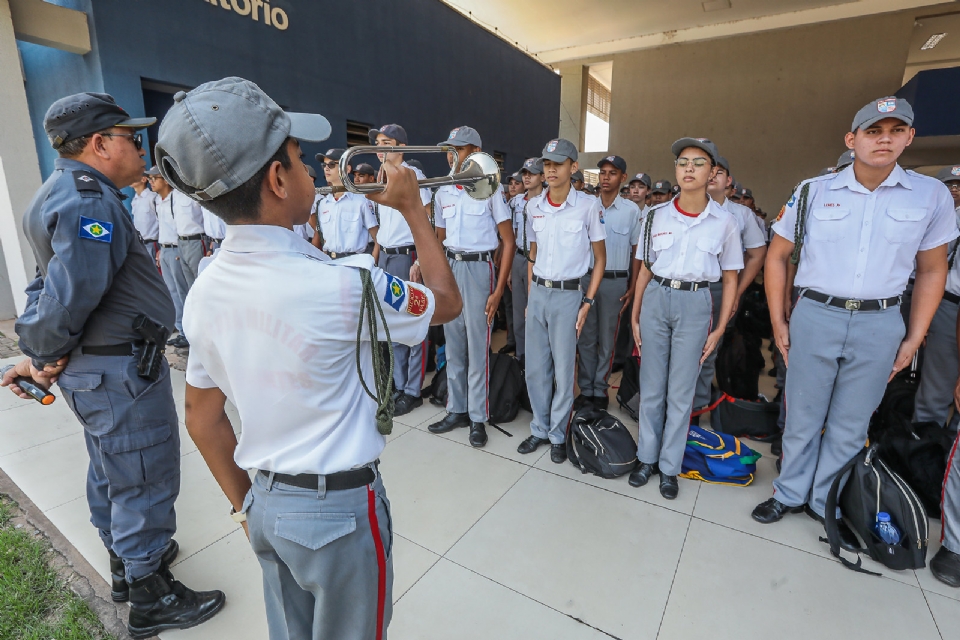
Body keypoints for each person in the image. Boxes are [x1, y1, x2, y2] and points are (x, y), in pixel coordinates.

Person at [160, 77, 460, 640]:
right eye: (299, 161)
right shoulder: (346, 284)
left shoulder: (203, 290)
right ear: (277, 180)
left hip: (265, 503)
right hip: (340, 514)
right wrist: (415, 212)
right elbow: (446, 303)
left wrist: (247, 509)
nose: (312, 174)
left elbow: (201, 417)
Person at [1, 91, 224, 638]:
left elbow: (43, 285)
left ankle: (128, 562)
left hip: (101, 370)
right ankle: (150, 595)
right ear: (100, 144)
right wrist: (44, 351)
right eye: (131, 137)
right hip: (117, 373)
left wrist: (42, 352)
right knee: (141, 474)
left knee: (113, 467)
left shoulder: (62, 193)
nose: (140, 146)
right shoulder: (89, 203)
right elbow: (71, 294)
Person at [751, 97, 957, 549]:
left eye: (895, 130)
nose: (884, 138)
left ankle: (825, 501)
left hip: (880, 320)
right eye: (873, 130)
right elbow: (778, 257)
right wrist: (779, 319)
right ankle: (788, 493)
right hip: (817, 314)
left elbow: (932, 270)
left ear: (909, 137)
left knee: (851, 423)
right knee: (802, 414)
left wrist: (914, 335)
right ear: (852, 139)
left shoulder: (930, 195)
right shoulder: (812, 190)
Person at [627, 138, 742, 500]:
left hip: (696, 302)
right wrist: (634, 313)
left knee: (681, 391)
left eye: (698, 163)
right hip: (657, 299)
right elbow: (645, 269)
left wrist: (720, 327)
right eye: (683, 163)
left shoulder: (725, 221)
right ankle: (646, 458)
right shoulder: (654, 216)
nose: (689, 169)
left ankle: (669, 467)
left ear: (712, 173)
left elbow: (730, 278)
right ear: (676, 171)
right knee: (652, 385)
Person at [517, 138, 606, 463]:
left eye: (558, 163)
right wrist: (530, 297)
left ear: (574, 167)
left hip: (569, 295)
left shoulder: (587, 206)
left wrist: (588, 302)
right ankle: (539, 428)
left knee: (563, 369)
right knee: (535, 369)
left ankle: (557, 433)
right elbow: (532, 255)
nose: (551, 170)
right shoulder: (532, 207)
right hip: (539, 292)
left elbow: (600, 259)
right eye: (547, 164)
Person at [427, 127, 514, 446]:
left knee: (478, 346)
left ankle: (478, 417)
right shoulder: (443, 192)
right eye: (450, 150)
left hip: (480, 269)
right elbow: (438, 240)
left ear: (476, 150)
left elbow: (508, 240)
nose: (453, 155)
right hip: (450, 267)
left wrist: (498, 290)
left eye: (459, 149)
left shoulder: (491, 188)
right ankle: (457, 409)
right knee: (454, 343)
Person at [693, 153, 768, 411]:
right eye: (709, 170)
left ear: (729, 181)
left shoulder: (741, 215)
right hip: (686, 289)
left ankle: (698, 406)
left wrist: (736, 291)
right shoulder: (683, 207)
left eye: (719, 172)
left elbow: (758, 254)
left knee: (708, 351)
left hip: (719, 289)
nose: (713, 176)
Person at [369, 124, 433, 416]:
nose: (381, 148)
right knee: (392, 324)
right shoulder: (381, 176)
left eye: (387, 142)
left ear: (402, 147)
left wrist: (420, 260)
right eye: (379, 143)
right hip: (387, 256)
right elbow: (384, 227)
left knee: (412, 322)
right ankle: (397, 384)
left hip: (407, 257)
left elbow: (427, 221)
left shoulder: (413, 176)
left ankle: (412, 390)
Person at [574, 155, 640, 410]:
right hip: (588, 277)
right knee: (586, 336)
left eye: (612, 173)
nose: (605, 177)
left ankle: (600, 390)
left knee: (608, 338)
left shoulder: (631, 211)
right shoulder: (587, 206)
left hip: (614, 281)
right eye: (602, 172)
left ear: (623, 177)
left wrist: (633, 285)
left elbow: (637, 252)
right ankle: (586, 388)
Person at [912, 164, 960, 433]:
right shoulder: (938, 217)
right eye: (950, 185)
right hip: (949, 306)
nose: (955, 191)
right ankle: (923, 452)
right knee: (936, 389)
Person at [148, 166, 191, 349]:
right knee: (172, 292)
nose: (151, 182)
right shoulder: (158, 201)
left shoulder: (176, 198)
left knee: (183, 291)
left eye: (154, 178)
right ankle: (181, 330)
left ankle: (189, 332)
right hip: (164, 249)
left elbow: (179, 226)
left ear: (165, 181)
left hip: (176, 248)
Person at [312, 148, 380, 259]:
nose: (326, 168)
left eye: (332, 164)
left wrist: (372, 265)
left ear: (347, 169)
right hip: (331, 262)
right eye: (324, 165)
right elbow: (324, 240)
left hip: (355, 262)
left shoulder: (361, 201)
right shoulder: (323, 204)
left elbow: (377, 238)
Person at [508, 157, 544, 362]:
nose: (527, 177)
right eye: (525, 173)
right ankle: (521, 356)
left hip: (539, 263)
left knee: (536, 312)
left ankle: (536, 357)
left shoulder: (547, 201)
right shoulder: (516, 202)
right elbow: (512, 235)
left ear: (542, 177)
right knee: (518, 309)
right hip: (520, 258)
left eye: (532, 173)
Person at [170, 178, 205, 288]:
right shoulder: (174, 194)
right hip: (181, 242)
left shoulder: (194, 190)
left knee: (201, 281)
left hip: (195, 241)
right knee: (191, 286)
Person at [129, 173, 159, 259]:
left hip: (152, 243)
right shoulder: (134, 200)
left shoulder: (152, 197)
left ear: (144, 179)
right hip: (140, 244)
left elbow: (161, 220)